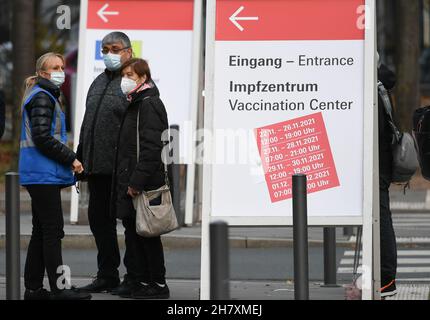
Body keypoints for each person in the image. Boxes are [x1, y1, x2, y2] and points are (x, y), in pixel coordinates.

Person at [19, 52, 92, 300]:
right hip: (42, 173)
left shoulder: (43, 94)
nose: (60, 70)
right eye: (54, 67)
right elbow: (42, 137)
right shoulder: (43, 97)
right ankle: (59, 289)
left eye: (62, 66)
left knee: (41, 230)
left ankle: (33, 289)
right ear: (42, 73)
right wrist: (71, 157)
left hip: (37, 173)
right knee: (53, 231)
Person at [77, 32, 133, 293]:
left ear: (128, 52)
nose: (110, 53)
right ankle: (107, 274)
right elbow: (88, 122)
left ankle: (135, 277)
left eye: (116, 48)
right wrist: (80, 157)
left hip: (121, 169)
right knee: (99, 222)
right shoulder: (98, 81)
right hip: (96, 167)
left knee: (131, 224)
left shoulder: (132, 81)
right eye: (106, 49)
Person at [111, 58, 169, 299]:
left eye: (130, 75)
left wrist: (136, 182)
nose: (125, 79)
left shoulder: (149, 104)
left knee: (148, 235)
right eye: (124, 74)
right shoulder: (135, 102)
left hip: (144, 184)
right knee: (134, 233)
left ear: (143, 78)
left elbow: (151, 148)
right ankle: (139, 280)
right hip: (131, 182)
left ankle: (157, 284)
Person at [377, 59, 398, 298]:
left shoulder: (373, 86)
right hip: (383, 162)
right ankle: (385, 278)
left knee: (381, 220)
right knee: (382, 218)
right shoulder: (381, 85)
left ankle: (386, 280)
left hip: (378, 165)